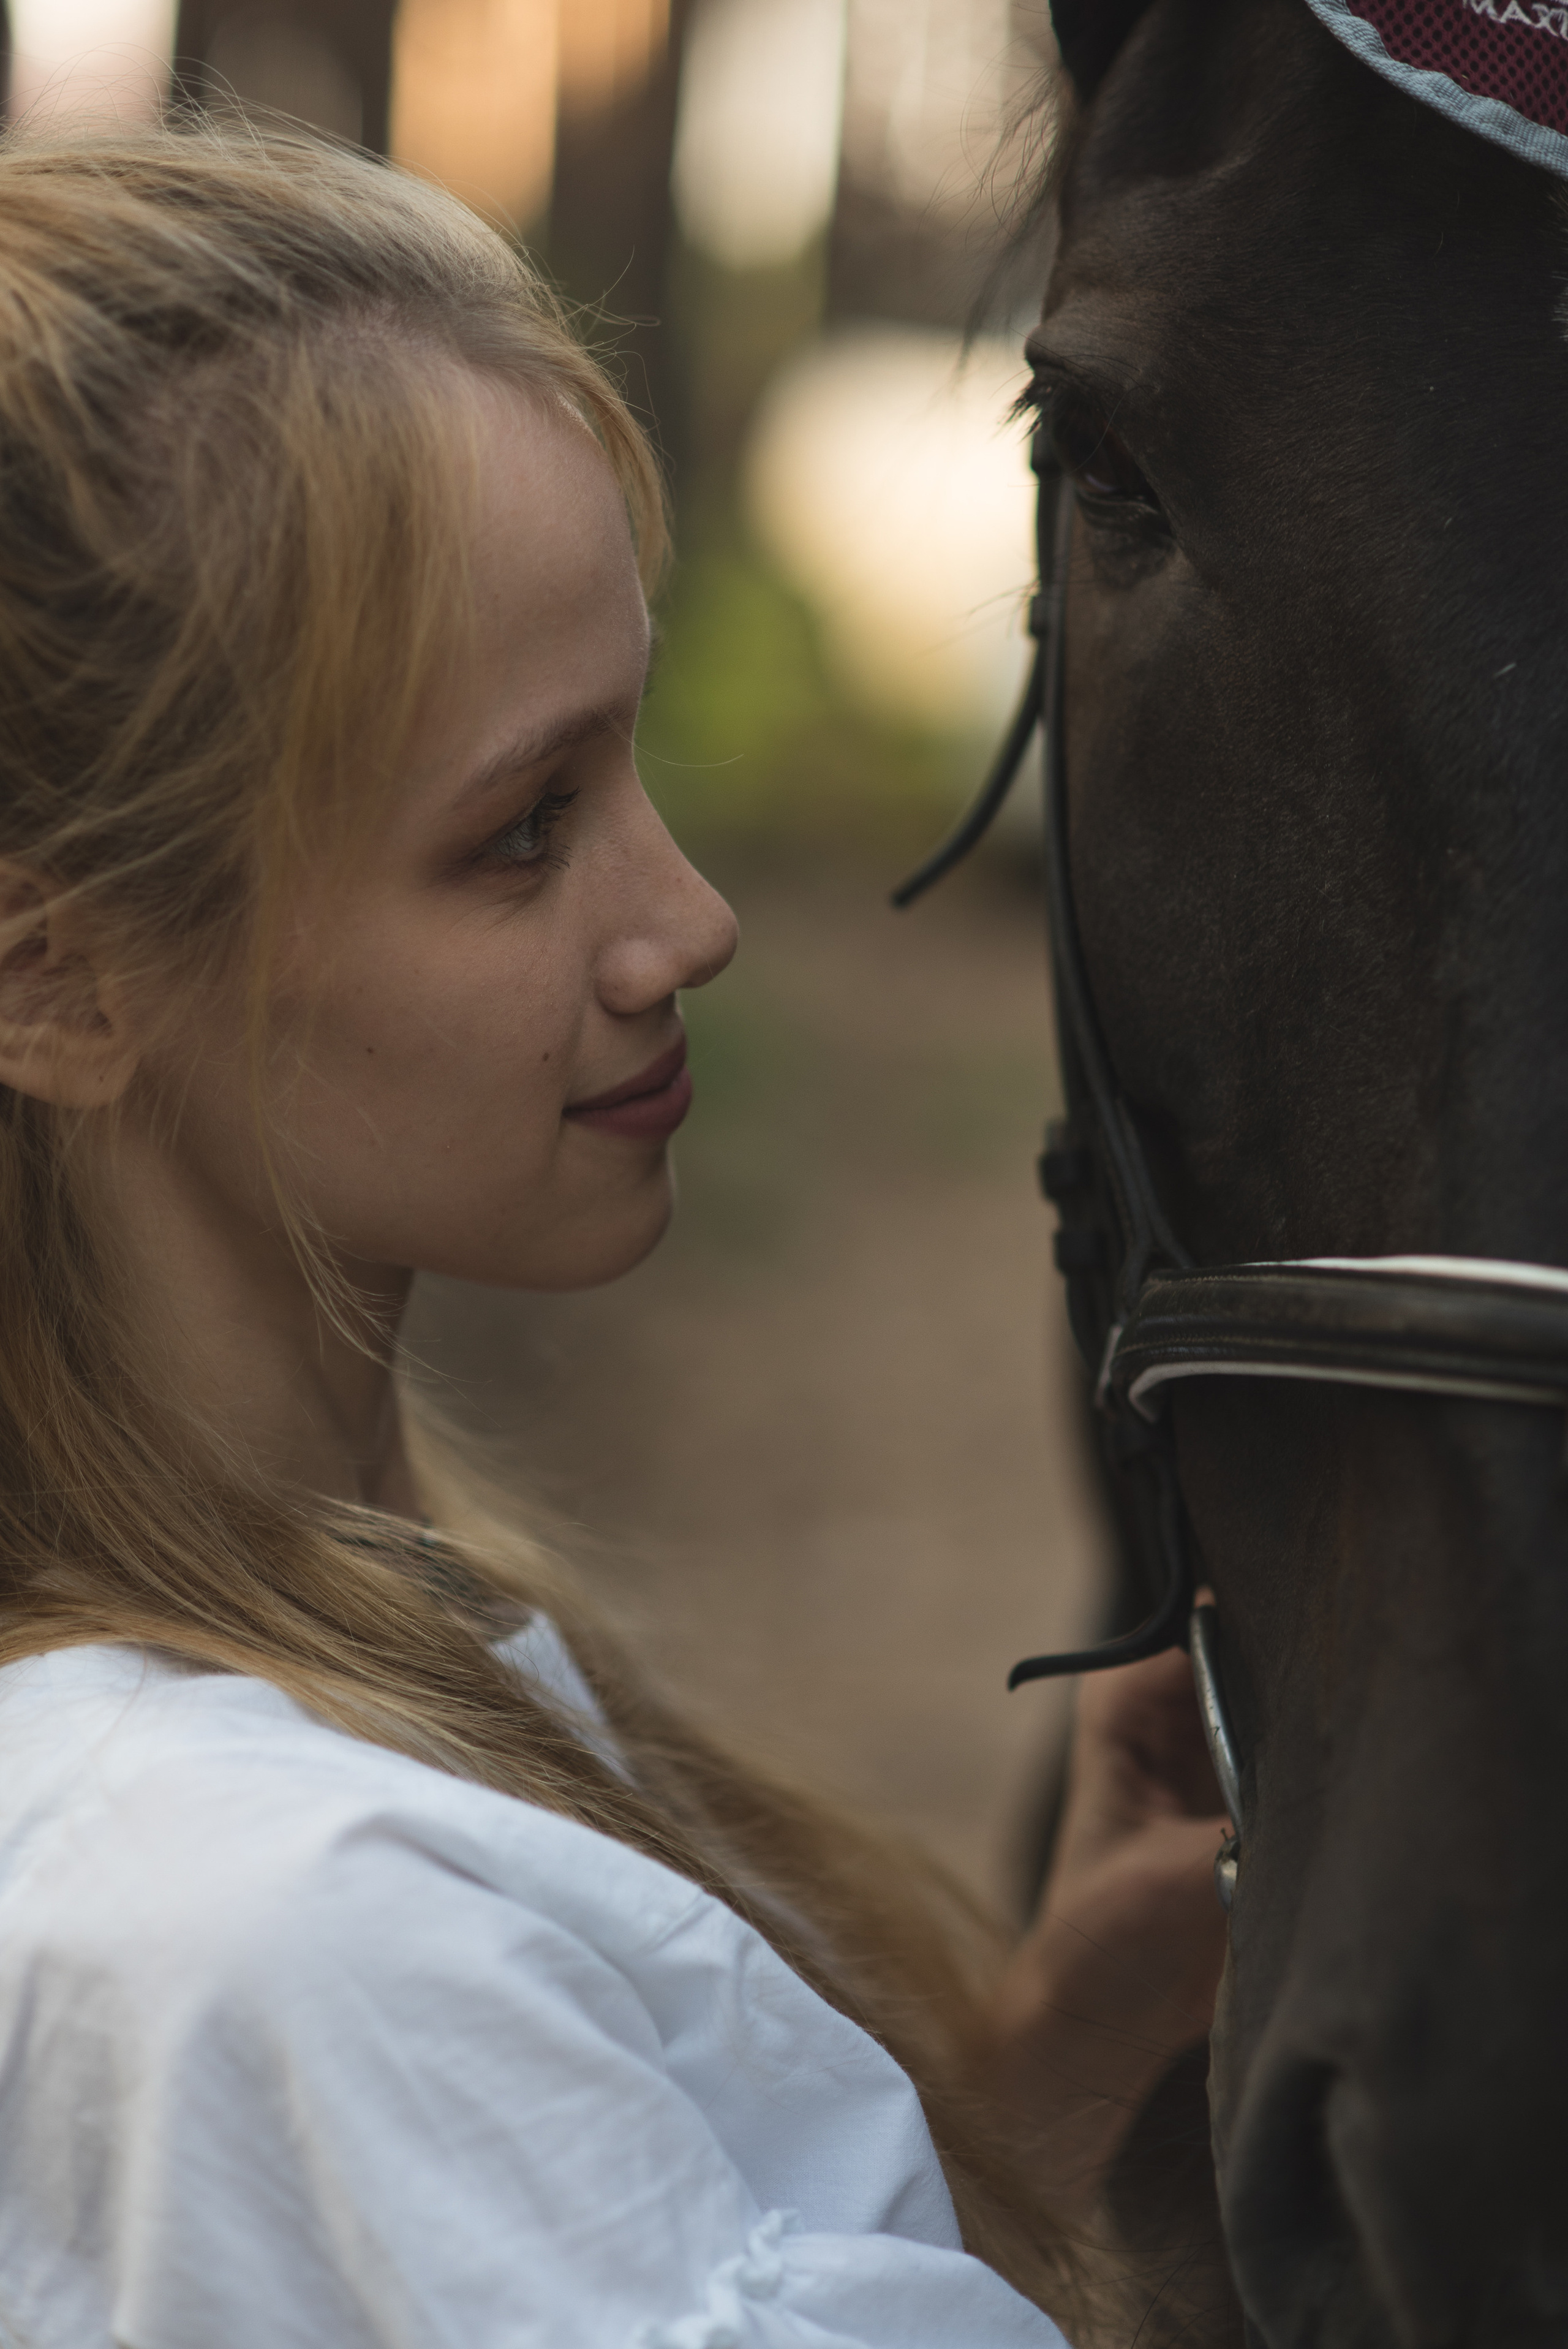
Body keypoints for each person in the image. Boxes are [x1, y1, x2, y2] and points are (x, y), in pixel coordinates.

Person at [0, 122, 1229, 2349]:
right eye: (522, 830)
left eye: (635, 768)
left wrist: (1048, 2077)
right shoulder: (264, 1930)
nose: (692, 920)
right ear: (58, 977)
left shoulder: (344, 1704)